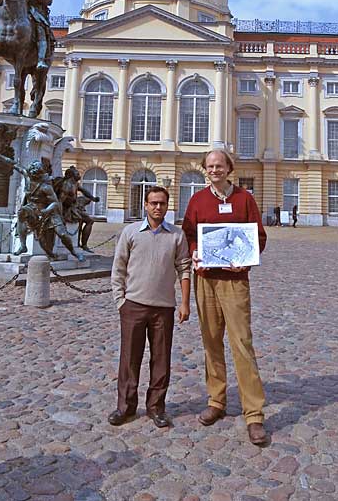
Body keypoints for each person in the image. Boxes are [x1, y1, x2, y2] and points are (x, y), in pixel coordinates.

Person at [182, 149, 268, 445]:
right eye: (210, 166)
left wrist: (248, 258)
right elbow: (189, 234)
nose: (215, 170)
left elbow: (259, 236)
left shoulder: (245, 199)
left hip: (235, 280)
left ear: (229, 168)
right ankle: (216, 401)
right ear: (205, 169)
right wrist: (194, 250)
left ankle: (254, 414)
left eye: (219, 165)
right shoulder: (197, 200)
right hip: (205, 279)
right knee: (211, 341)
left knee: (241, 343)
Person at [110, 186, 191, 428]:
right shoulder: (131, 232)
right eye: (153, 203)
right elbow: (119, 267)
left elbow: (184, 268)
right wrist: (120, 301)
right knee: (129, 360)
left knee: (161, 360)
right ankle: (125, 407)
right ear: (145, 205)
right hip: (133, 305)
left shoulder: (177, 235)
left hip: (163, 308)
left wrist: (185, 303)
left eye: (162, 204)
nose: (158, 207)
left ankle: (156, 407)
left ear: (167, 206)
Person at [18, 0, 55, 71]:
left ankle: (41, 59)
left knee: (41, 29)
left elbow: (48, 0)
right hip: (17, 8)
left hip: (34, 10)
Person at [53, 166, 100, 252]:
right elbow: (60, 201)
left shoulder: (75, 184)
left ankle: (84, 245)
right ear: (71, 175)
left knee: (90, 221)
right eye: (77, 174)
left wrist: (93, 198)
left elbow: (84, 191)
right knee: (83, 220)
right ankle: (78, 244)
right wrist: (60, 215)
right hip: (65, 209)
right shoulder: (67, 185)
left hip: (73, 207)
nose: (79, 175)